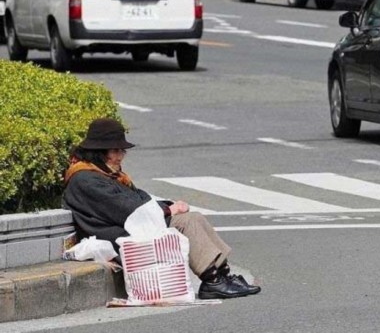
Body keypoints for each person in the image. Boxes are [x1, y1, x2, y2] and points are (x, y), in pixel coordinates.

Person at [63, 118, 260, 300]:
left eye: (121, 150)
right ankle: (212, 280)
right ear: (100, 151)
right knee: (186, 221)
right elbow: (126, 208)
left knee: (193, 217)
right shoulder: (85, 179)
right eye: (116, 151)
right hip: (118, 236)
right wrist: (168, 210)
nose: (121, 156)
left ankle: (222, 274)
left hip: (128, 227)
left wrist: (167, 206)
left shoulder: (103, 174)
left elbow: (138, 197)